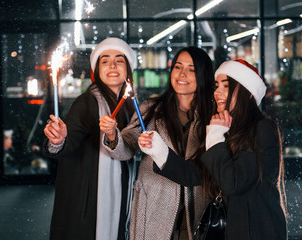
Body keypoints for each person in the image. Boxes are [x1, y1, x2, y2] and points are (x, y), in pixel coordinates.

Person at [138, 59, 288, 240]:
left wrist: (216, 137)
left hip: (257, 232)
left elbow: (233, 183)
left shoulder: (262, 129)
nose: (217, 92)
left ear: (247, 93)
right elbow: (195, 173)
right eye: (217, 86)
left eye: (226, 86)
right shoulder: (224, 129)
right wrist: (158, 149)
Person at [99, 46, 215, 240]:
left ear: (204, 75)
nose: (182, 74)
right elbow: (126, 148)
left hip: (198, 209)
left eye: (191, 69)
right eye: (178, 67)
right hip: (154, 207)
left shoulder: (213, 116)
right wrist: (112, 135)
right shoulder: (151, 109)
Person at [43, 37, 136, 240]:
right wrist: (58, 141)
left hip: (117, 199)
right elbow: (71, 138)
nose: (112, 65)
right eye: (105, 61)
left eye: (119, 60)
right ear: (96, 70)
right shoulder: (87, 102)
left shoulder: (130, 107)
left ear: (128, 69)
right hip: (88, 204)